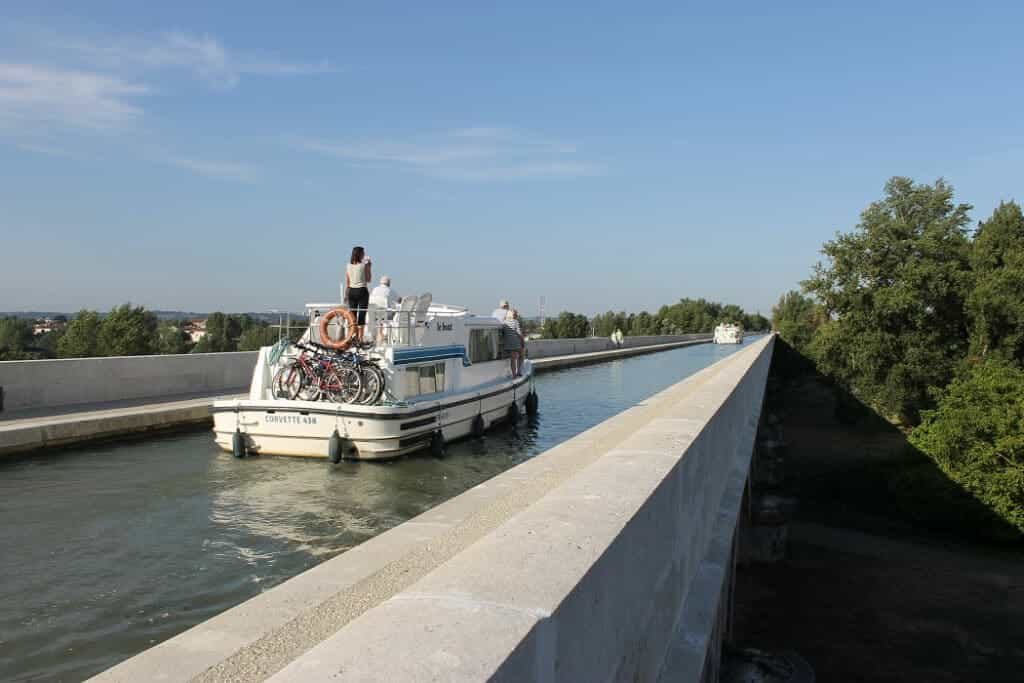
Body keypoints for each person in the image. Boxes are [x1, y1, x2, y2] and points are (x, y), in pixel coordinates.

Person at [344, 246, 372, 344]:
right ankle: (360, 338)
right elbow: (368, 279)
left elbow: (347, 281)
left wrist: (346, 294)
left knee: (352, 315)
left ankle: (352, 337)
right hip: (362, 291)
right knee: (362, 315)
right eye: (363, 253)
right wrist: (369, 267)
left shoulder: (348, 265)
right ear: (360, 254)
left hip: (351, 291)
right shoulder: (363, 266)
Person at [503, 308, 525, 377]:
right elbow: (519, 333)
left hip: (508, 344)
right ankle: (519, 371)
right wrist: (523, 341)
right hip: (516, 343)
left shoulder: (504, 323)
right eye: (516, 314)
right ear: (514, 315)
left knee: (512, 359)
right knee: (521, 355)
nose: (516, 316)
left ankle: (514, 375)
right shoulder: (515, 322)